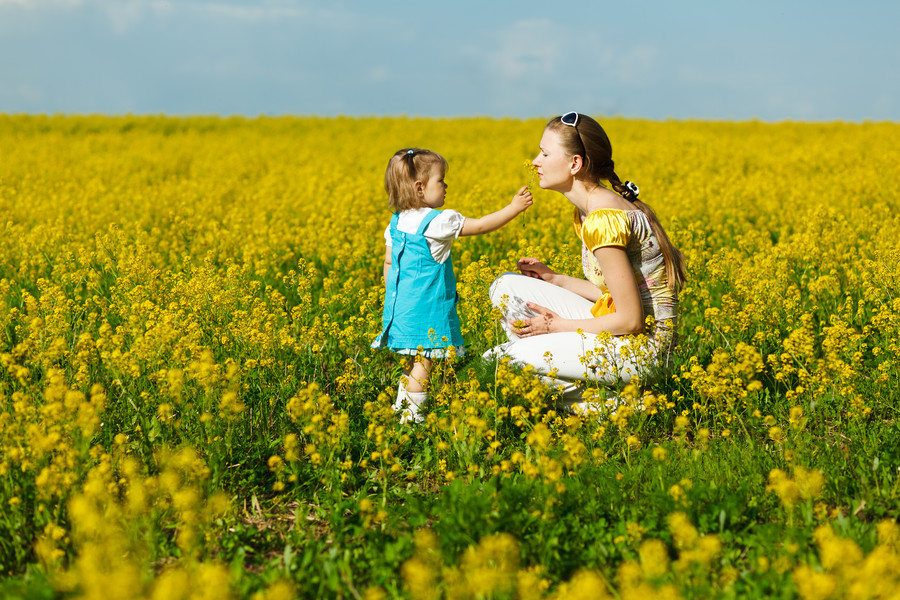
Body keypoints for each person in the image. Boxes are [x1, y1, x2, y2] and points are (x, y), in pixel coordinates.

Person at [484, 112, 686, 413]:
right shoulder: (589, 212)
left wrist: (556, 326)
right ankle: (585, 387)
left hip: (645, 350)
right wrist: (553, 279)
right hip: (625, 333)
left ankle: (620, 407)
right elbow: (613, 295)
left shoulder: (604, 219)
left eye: (545, 153)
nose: (535, 161)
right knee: (505, 286)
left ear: (574, 164)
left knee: (502, 363)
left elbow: (630, 320)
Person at [373, 148, 533, 423]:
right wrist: (513, 208)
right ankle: (412, 421)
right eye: (441, 180)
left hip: (400, 309)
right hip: (427, 311)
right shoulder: (438, 221)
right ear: (420, 188)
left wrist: (395, 300)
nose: (446, 186)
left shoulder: (396, 222)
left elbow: (389, 263)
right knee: (424, 365)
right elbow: (481, 225)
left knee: (416, 363)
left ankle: (402, 408)